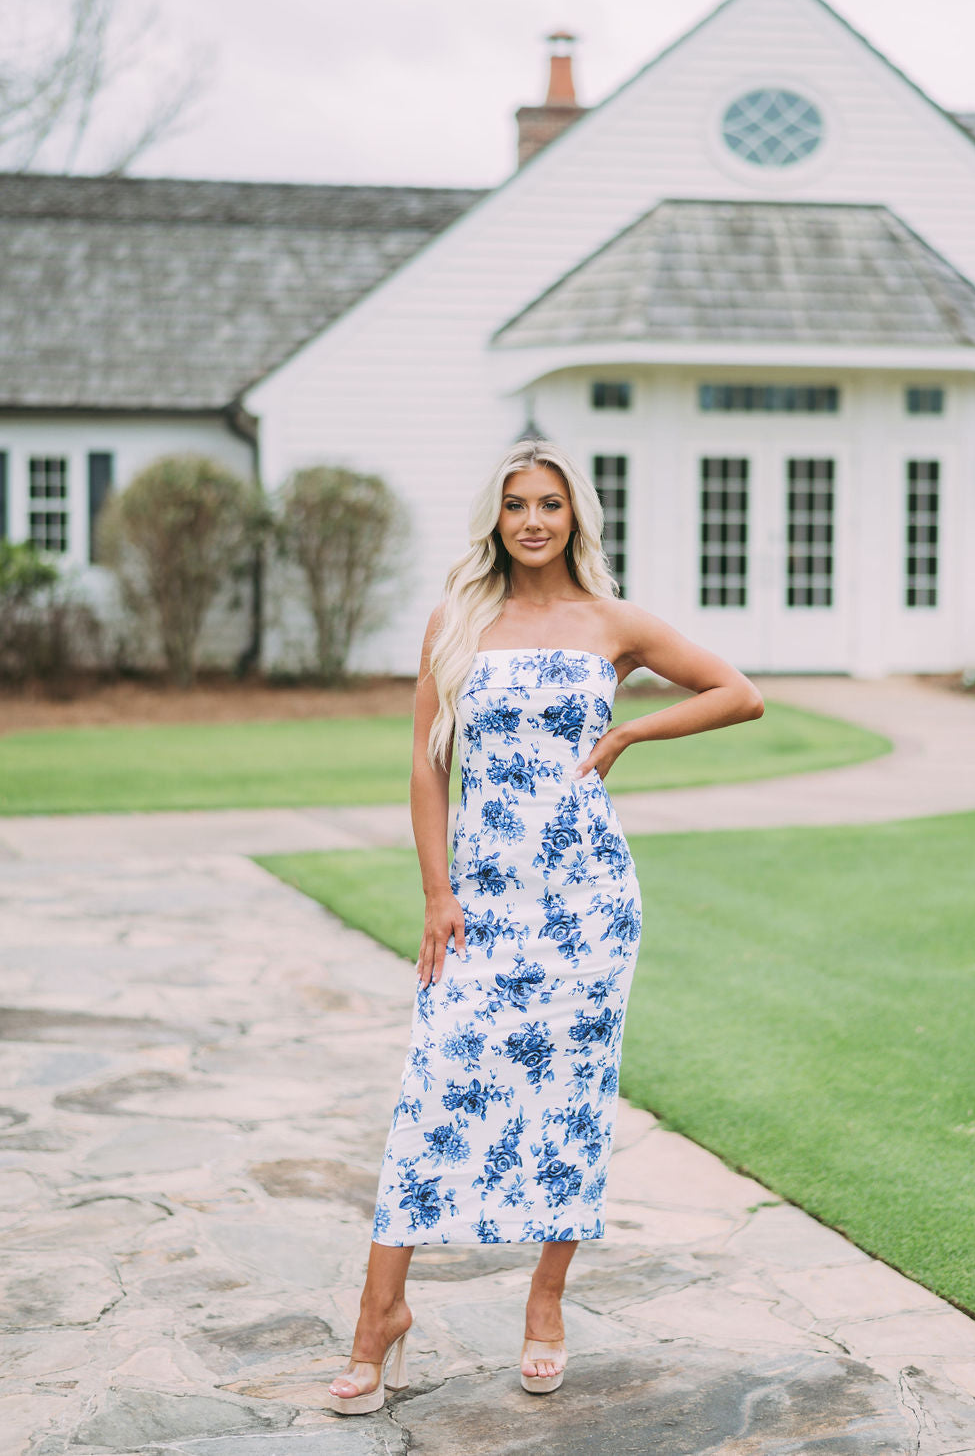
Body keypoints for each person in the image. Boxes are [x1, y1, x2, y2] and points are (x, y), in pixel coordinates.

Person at [327, 440, 764, 1414]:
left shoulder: (610, 622)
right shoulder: (458, 620)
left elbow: (740, 692)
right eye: (517, 503)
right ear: (496, 516)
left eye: (550, 504)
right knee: (432, 1095)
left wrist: (628, 731)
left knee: (569, 1104)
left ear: (576, 516)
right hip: (480, 908)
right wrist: (438, 895)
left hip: (587, 910)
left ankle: (544, 1302)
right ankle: (378, 1315)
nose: (532, 520)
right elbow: (425, 766)